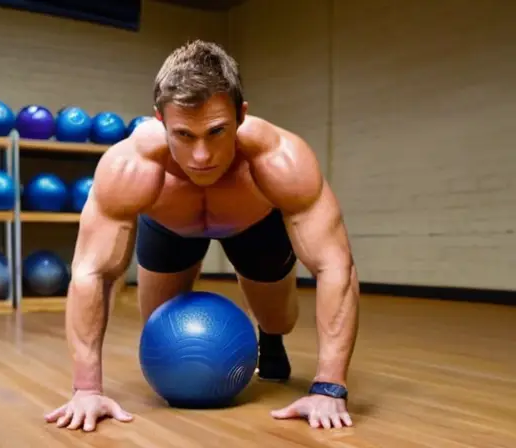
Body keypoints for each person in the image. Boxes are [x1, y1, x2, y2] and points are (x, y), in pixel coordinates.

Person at [44, 40, 360, 432]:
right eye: (183, 135)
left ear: (241, 116)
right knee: (159, 327)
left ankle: (270, 340)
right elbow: (91, 272)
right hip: (169, 228)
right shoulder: (131, 166)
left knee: (279, 318)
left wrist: (330, 388)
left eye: (216, 131)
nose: (201, 156)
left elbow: (335, 266)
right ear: (159, 121)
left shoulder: (281, 160)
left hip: (254, 227)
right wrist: (86, 389)